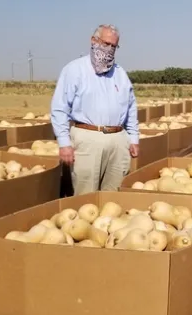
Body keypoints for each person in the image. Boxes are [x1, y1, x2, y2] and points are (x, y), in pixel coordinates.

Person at [51, 24, 139, 195]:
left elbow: (131, 108)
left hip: (118, 139)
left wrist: (133, 137)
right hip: (87, 139)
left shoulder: (120, 74)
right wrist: (64, 143)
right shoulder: (74, 69)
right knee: (86, 195)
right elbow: (59, 108)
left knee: (114, 194)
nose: (109, 49)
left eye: (114, 46)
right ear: (93, 40)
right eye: (106, 44)